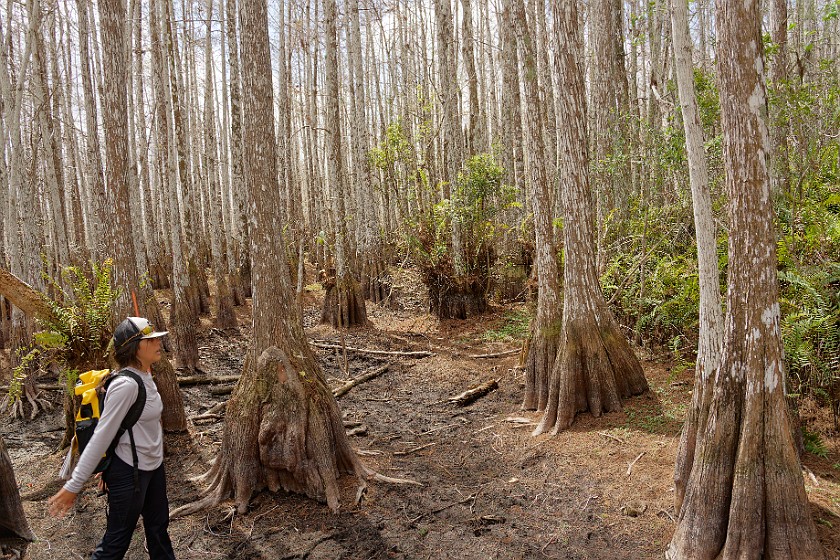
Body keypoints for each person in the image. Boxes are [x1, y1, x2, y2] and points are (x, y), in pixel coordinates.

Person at [48, 317, 176, 560]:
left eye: (156, 338)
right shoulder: (126, 385)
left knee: (158, 531)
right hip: (130, 473)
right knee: (116, 543)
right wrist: (74, 485)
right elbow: (101, 437)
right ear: (135, 347)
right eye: (150, 340)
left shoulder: (146, 375)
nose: (158, 342)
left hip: (153, 469)